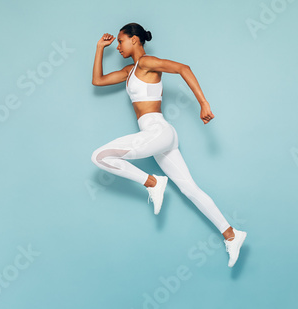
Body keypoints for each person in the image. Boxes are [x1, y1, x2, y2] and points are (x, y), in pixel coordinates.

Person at [90, 22, 247, 267]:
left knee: (100, 157)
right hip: (160, 136)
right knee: (190, 190)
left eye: (120, 41)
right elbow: (98, 81)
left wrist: (203, 104)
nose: (118, 46)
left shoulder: (146, 62)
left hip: (157, 131)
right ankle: (231, 234)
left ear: (134, 40)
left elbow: (183, 68)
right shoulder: (130, 71)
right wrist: (100, 48)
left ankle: (153, 182)